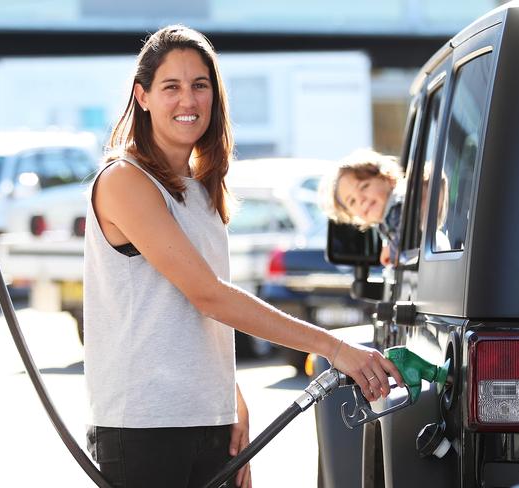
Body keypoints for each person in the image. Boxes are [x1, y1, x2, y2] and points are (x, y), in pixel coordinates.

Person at [83, 25, 404, 488]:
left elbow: (201, 319)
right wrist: (335, 349)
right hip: (144, 426)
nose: (187, 101)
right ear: (143, 96)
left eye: (200, 85)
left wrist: (230, 399)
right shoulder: (124, 181)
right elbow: (208, 296)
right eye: (170, 87)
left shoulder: (200, 192)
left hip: (206, 416)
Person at [319, 149, 404, 266]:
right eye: (352, 201)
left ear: (388, 179)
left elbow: (406, 232)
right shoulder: (384, 222)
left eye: (364, 186)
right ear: (352, 215)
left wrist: (393, 252)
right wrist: (388, 245)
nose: (361, 200)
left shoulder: (398, 206)